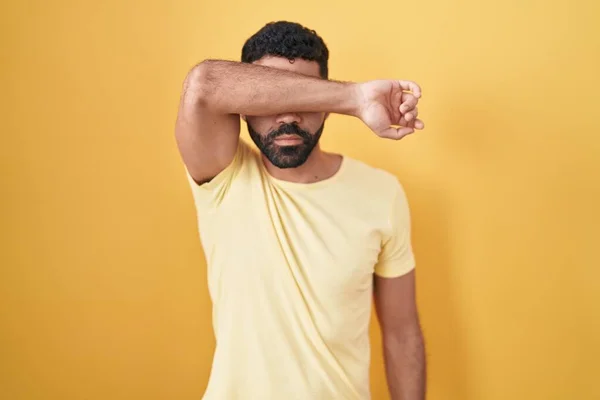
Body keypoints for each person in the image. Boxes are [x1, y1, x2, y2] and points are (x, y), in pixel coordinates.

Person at [175, 21, 426, 400]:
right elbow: (204, 85)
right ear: (245, 109)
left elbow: (402, 332)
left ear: (326, 109)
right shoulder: (221, 177)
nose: (287, 116)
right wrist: (354, 97)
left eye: (306, 100)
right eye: (270, 99)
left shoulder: (382, 193)